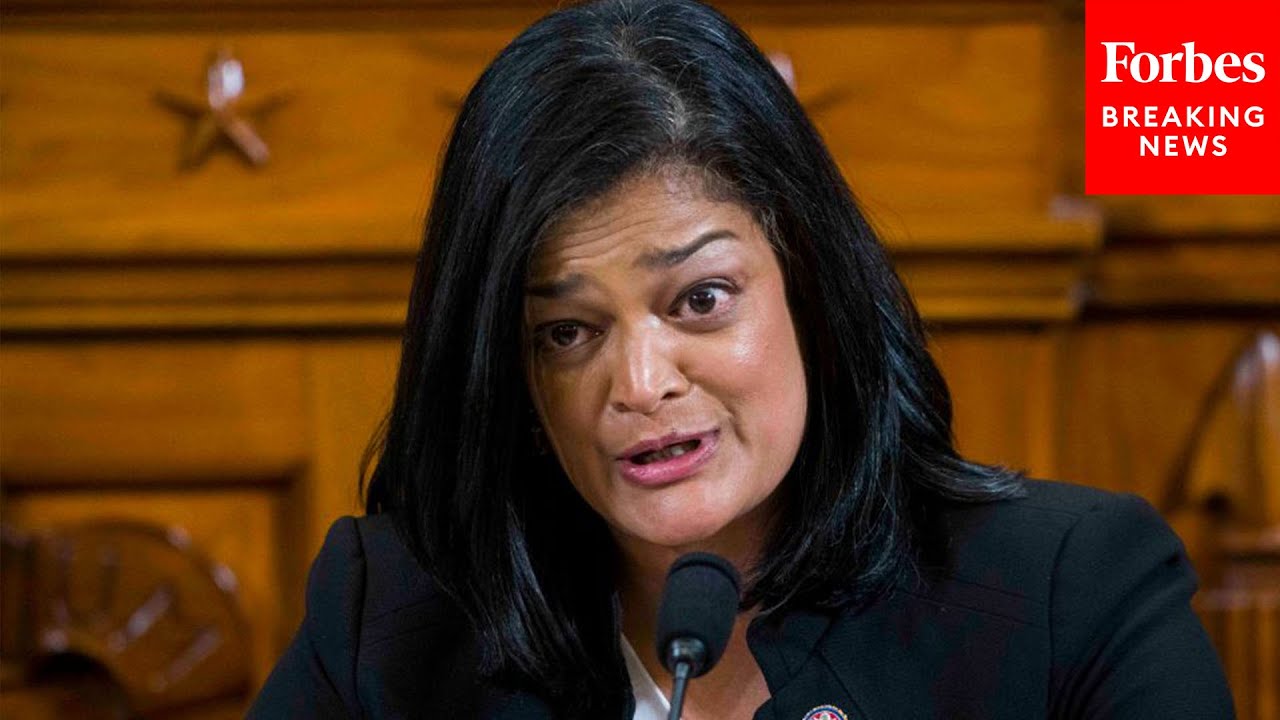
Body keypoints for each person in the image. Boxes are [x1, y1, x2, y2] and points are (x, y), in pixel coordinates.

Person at [248, 1, 1234, 717]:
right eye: (567, 333)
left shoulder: (1072, 594)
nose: (641, 386)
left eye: (701, 300)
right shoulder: (388, 620)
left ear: (809, 292)